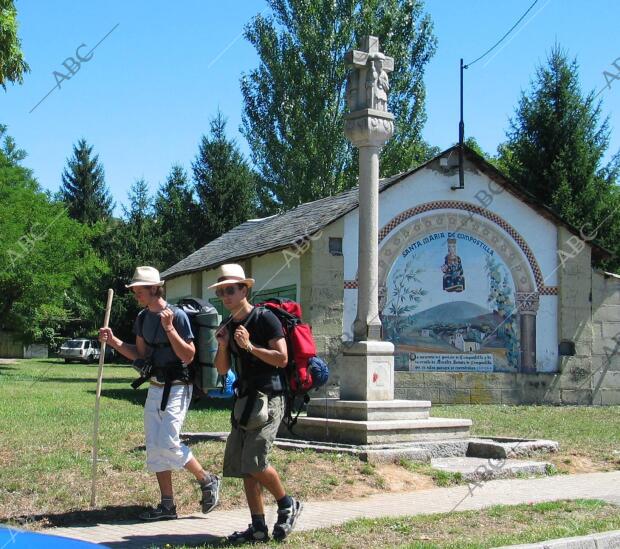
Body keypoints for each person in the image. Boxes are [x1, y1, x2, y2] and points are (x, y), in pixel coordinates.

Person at [98, 266, 220, 520]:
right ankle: (167, 506)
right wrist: (114, 342)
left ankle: (207, 479)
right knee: (154, 447)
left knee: (168, 441)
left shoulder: (176, 316)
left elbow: (188, 355)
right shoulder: (142, 318)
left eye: (139, 290)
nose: (135, 295)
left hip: (178, 386)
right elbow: (141, 355)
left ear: (154, 288)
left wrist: (169, 328)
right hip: (155, 386)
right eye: (134, 291)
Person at [212, 264, 303, 543]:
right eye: (221, 292)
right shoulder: (229, 325)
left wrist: (250, 346)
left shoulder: (265, 319)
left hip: (270, 398)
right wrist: (225, 345)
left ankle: (288, 504)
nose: (225, 296)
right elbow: (222, 369)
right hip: (245, 400)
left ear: (244, 290)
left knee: (255, 461)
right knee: (243, 465)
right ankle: (258, 527)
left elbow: (282, 358)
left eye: (230, 290)